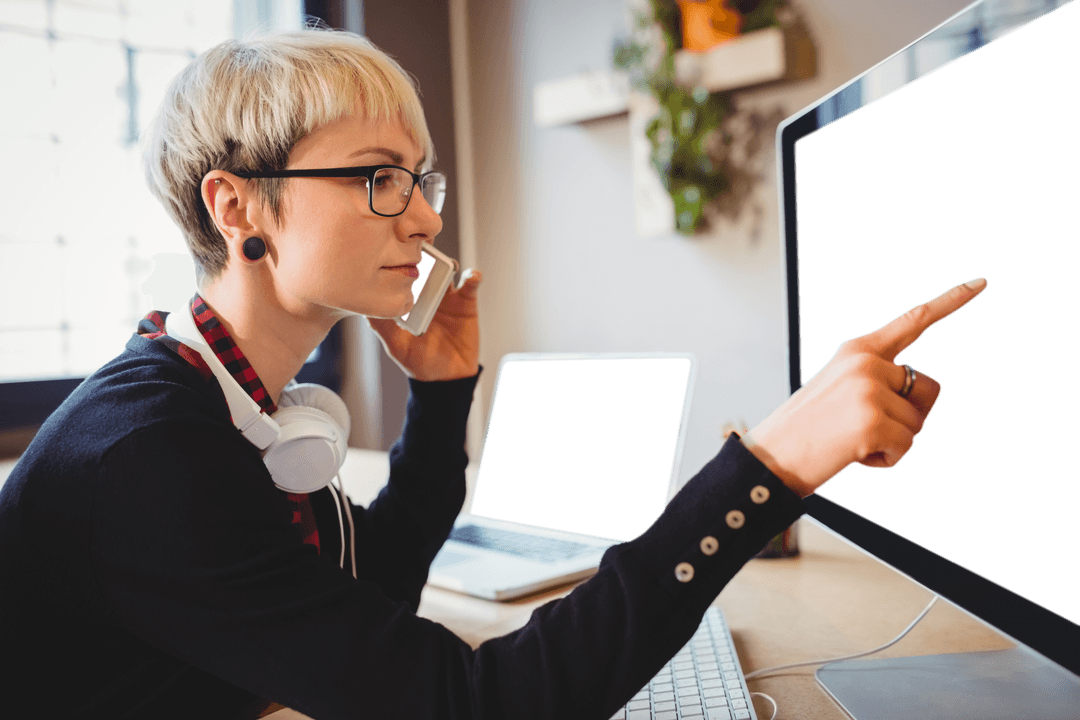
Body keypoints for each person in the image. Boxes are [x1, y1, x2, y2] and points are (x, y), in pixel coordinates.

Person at [0, 26, 988, 720]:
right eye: (379, 178)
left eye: (419, 179)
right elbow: (471, 706)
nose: (426, 218)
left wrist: (439, 397)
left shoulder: (234, 403)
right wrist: (765, 467)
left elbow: (370, 602)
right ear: (238, 206)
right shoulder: (148, 452)